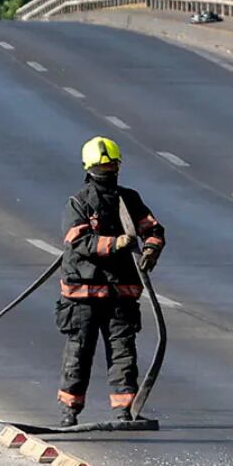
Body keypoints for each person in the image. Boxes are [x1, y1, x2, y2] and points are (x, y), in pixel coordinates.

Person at [56, 137, 165, 427]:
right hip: (84, 295)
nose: (109, 169)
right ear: (90, 168)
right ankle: (70, 411)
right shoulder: (79, 203)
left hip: (121, 293)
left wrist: (152, 249)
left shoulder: (128, 200)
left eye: (112, 164)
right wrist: (115, 243)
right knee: (79, 352)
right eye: (104, 165)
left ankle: (124, 410)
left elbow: (152, 228)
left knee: (123, 352)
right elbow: (79, 242)